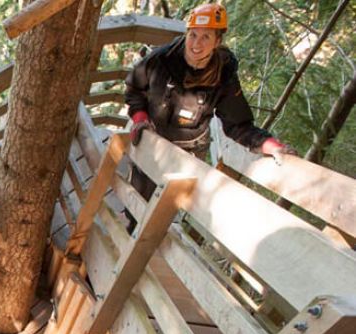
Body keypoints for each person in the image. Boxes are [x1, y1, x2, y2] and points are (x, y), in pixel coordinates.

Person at [124, 3, 297, 198]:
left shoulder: (223, 75)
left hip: (188, 151)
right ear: (186, 33)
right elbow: (134, 88)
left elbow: (237, 124)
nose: (196, 44)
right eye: (193, 35)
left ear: (217, 41)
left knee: (169, 204)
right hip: (152, 138)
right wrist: (140, 118)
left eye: (206, 36)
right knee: (138, 199)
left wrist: (271, 146)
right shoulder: (162, 59)